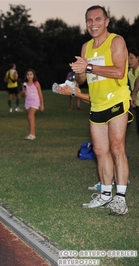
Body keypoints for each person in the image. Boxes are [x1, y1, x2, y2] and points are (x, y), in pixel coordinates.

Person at [69, 5, 131, 215]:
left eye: (97, 19)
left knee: (116, 148)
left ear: (106, 21)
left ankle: (120, 199)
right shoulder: (86, 47)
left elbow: (119, 70)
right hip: (97, 104)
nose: (93, 23)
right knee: (99, 151)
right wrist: (78, 72)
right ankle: (105, 195)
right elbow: (83, 79)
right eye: (89, 20)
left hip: (116, 100)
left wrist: (88, 67)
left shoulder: (116, 41)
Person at [21, 69, 44, 140]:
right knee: (31, 118)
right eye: (28, 74)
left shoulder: (36, 83)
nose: (29, 76)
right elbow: (23, 95)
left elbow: (40, 94)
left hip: (35, 101)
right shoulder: (24, 84)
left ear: (33, 75)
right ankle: (33, 134)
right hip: (28, 102)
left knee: (30, 116)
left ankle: (31, 134)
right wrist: (24, 93)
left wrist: (42, 104)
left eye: (31, 74)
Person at [128, 47, 139, 134]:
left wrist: (134, 93)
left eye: (131, 58)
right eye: (127, 59)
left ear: (138, 58)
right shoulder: (129, 72)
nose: (129, 61)